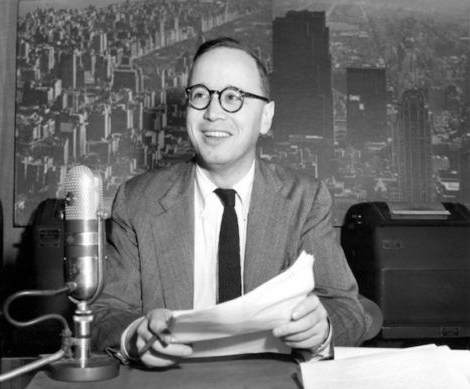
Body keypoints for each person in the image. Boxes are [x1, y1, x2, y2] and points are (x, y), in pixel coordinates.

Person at [92, 37, 368, 368]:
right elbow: (103, 312)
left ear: (266, 117)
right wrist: (133, 336)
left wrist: (321, 328)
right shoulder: (138, 200)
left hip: (271, 385)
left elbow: (346, 307)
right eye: (200, 95)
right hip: (172, 386)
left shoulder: (304, 199)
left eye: (233, 97)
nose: (212, 112)